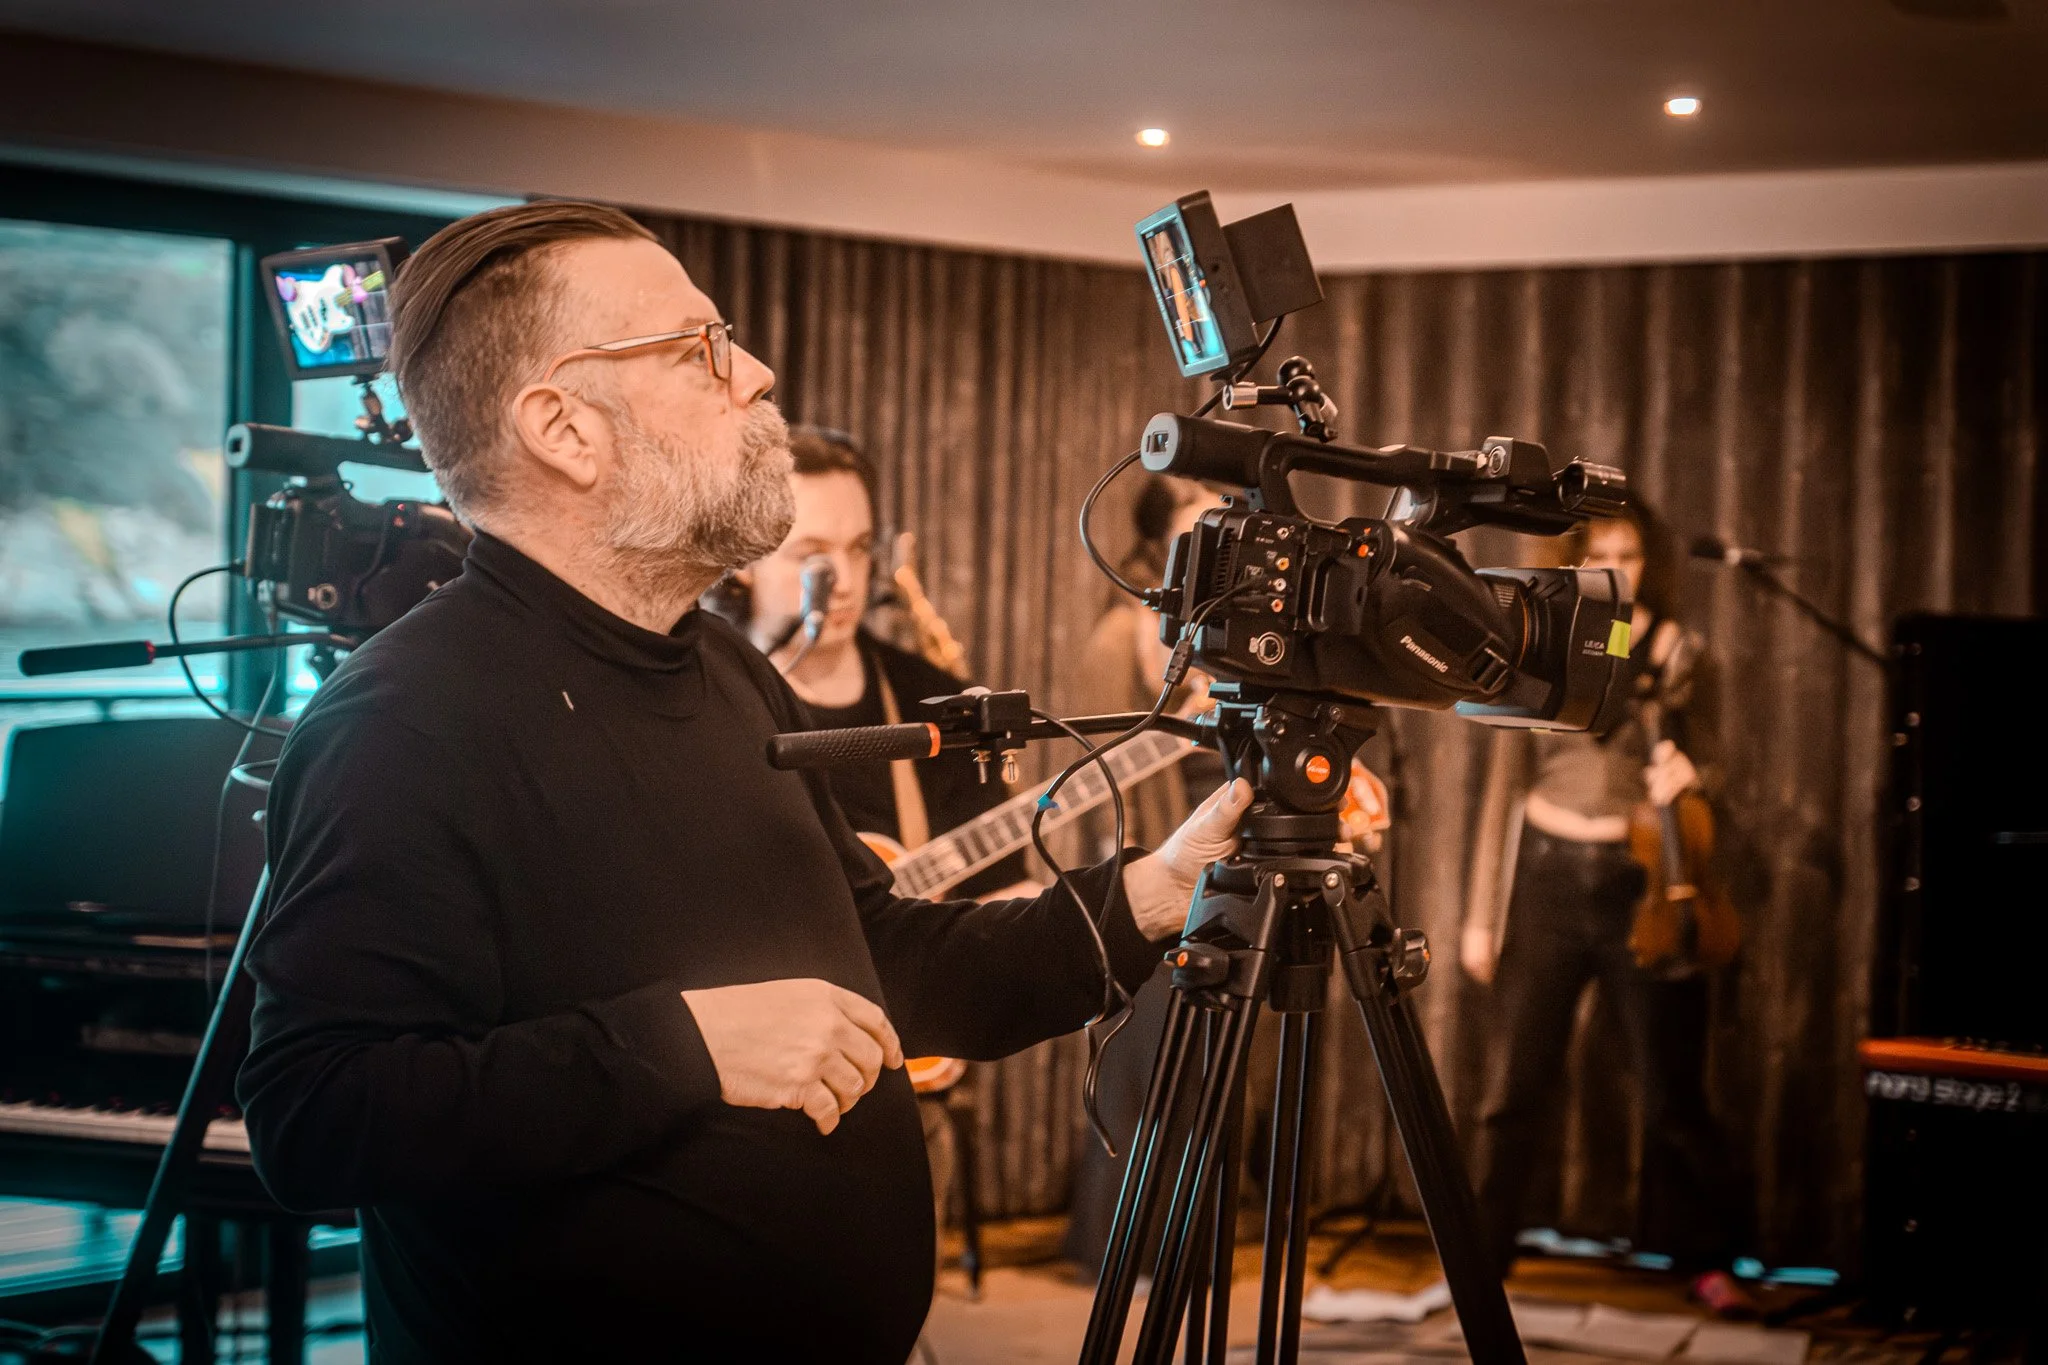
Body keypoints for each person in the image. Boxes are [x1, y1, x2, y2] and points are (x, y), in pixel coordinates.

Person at [234, 200, 1254, 1364]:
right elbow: (318, 1115)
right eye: (698, 350)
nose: (758, 373)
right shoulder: (402, 722)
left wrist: (1152, 895)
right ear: (565, 429)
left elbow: (887, 967)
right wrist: (684, 1049)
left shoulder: (722, 662)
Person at [1461, 504, 1752, 1312]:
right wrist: (1482, 913)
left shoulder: (1676, 650)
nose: (1619, 568)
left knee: (1669, 1090)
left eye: (1630, 553)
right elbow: (1502, 792)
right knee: (1515, 1087)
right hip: (1548, 879)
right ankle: (1483, 1258)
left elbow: (1722, 770)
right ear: (1577, 561)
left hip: (1639, 885)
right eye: (1604, 554)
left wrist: (1691, 773)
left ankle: (1707, 1257)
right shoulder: (1540, 646)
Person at [719, 426, 1030, 899]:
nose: (844, 580)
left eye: (859, 549)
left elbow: (1001, 893)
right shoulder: (705, 697)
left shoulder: (938, 704)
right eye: (813, 556)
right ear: (742, 558)